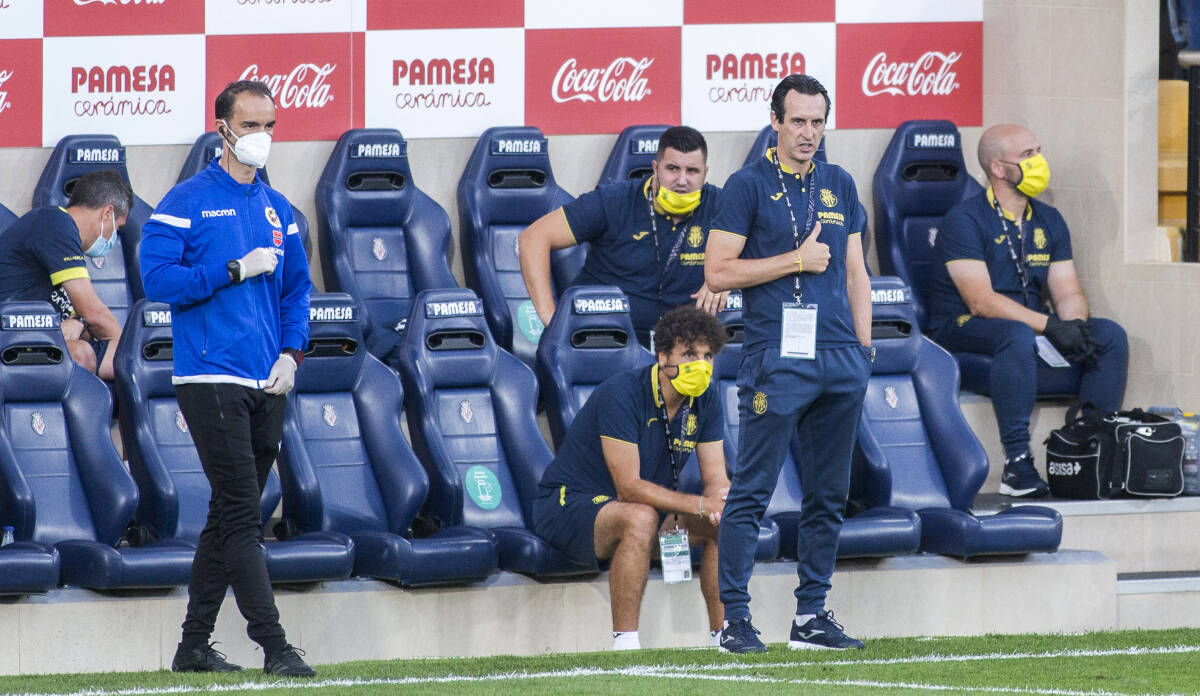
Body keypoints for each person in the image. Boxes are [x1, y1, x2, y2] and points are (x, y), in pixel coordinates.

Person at [140, 80, 315, 678]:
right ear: (223, 129)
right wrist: (232, 269)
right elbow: (158, 280)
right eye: (251, 124)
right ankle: (276, 647)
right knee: (244, 513)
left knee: (227, 515)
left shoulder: (279, 208)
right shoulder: (185, 200)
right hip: (208, 375)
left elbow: (298, 290)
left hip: (268, 379)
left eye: (270, 124)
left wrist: (292, 352)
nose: (262, 136)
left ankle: (192, 647)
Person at [704, 74, 872, 654]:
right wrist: (793, 260)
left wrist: (864, 349)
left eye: (817, 122)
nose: (808, 133)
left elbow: (855, 272)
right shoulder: (745, 185)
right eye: (797, 121)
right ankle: (734, 620)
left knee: (829, 495)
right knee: (752, 489)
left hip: (840, 358)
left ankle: (811, 615)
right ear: (775, 121)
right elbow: (718, 273)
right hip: (776, 357)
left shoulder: (840, 183)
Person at [927, 124, 1128, 497]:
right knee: (1015, 334)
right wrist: (1050, 326)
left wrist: (1075, 326)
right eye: (1026, 156)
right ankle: (1017, 464)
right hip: (962, 332)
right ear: (997, 168)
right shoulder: (964, 220)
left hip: (1027, 330)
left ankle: (1089, 444)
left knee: (1109, 335)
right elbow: (981, 301)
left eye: (1038, 151)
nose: (1039, 162)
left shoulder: (1048, 219)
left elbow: (1066, 290)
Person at [532, 307, 730, 651]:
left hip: (644, 508)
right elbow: (628, 487)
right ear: (662, 355)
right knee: (639, 517)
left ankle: (724, 636)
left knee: (724, 522)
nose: (701, 364)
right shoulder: (622, 393)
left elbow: (715, 477)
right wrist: (700, 503)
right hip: (569, 504)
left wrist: (720, 503)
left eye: (707, 355)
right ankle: (625, 645)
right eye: (689, 354)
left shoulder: (707, 398)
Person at [520, 126, 725, 346]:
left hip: (683, 345)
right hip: (601, 337)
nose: (682, 181)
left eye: (692, 171)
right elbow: (533, 238)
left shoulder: (722, 205)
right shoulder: (615, 200)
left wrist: (727, 280)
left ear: (705, 173)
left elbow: (764, 251)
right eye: (673, 169)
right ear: (655, 168)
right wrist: (552, 321)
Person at [0, 169, 130, 380]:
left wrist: (80, 323)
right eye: (118, 228)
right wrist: (130, 352)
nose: (113, 238)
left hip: (36, 336)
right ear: (107, 213)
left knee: (154, 358)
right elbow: (94, 314)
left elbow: (83, 321)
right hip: (12, 336)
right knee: (90, 355)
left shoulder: (65, 236)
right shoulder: (55, 222)